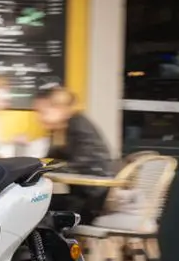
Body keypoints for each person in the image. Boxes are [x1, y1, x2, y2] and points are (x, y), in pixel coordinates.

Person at [23, 84, 115, 223]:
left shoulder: (78, 126)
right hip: (80, 194)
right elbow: (51, 160)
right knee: (31, 204)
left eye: (43, 112)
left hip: (92, 198)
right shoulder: (61, 129)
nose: (39, 118)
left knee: (34, 208)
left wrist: (41, 169)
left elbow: (80, 164)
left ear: (59, 108)